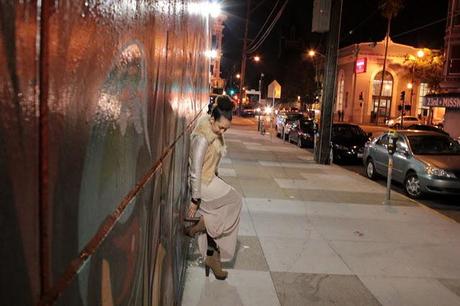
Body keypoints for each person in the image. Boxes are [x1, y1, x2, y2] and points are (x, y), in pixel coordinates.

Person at [185, 95, 243, 280]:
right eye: (220, 127)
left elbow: (211, 164)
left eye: (226, 128)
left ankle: (211, 257)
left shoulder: (214, 132)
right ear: (212, 120)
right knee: (234, 200)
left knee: (218, 211)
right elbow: (195, 170)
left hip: (209, 179)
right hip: (200, 183)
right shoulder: (202, 137)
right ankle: (199, 227)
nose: (222, 131)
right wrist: (195, 199)